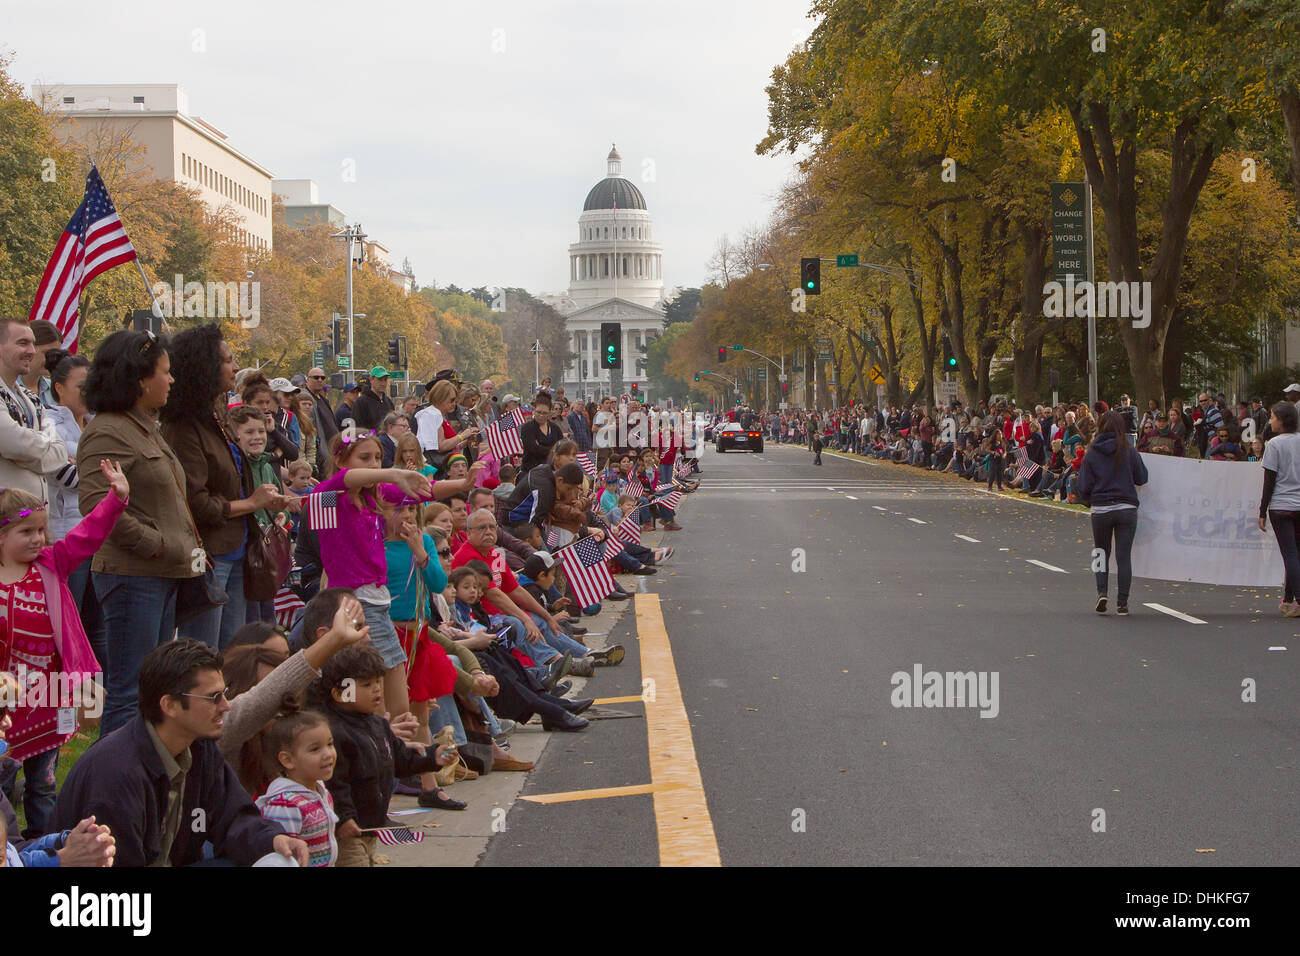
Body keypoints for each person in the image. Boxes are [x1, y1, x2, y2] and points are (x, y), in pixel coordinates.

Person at [53, 639, 310, 867]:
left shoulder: (199, 745)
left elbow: (233, 817)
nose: (226, 706)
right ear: (170, 705)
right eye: (214, 697)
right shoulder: (117, 772)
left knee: (278, 860)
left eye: (225, 694)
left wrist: (273, 838)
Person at [78, 329, 202, 735]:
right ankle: (112, 789)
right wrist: (159, 547)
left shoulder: (145, 427)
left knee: (152, 690)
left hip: (161, 574)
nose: (171, 380)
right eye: (164, 372)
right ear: (138, 378)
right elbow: (99, 508)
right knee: (129, 692)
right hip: (132, 576)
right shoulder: (106, 431)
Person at [0, 460, 128, 838]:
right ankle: (11, 847)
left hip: (48, 694)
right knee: (3, 780)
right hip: (6, 699)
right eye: (27, 531)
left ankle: (50, 844)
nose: (39, 538)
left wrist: (115, 500)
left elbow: (86, 536)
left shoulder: (52, 563)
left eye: (42, 529)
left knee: (43, 782)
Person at [161, 326, 288, 650]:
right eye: (227, 361)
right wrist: (252, 503)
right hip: (209, 557)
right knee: (204, 651)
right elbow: (196, 502)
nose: (235, 367)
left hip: (236, 549)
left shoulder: (215, 418)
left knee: (236, 651)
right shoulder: (184, 427)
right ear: (205, 368)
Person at [319, 645, 454, 865]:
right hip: (347, 832)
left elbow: (399, 759)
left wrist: (431, 757)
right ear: (340, 692)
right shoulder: (335, 734)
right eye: (366, 685)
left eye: (378, 682)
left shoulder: (378, 724)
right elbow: (335, 784)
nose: (377, 690)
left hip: (371, 826)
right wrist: (343, 819)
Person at [47, 354, 105, 666]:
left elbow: (120, 474)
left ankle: (99, 705)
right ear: (59, 388)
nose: (88, 392)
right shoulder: (49, 423)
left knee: (99, 628)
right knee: (72, 623)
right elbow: (65, 476)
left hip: (100, 537)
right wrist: (101, 475)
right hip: (68, 538)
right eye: (81, 386)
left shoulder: (98, 424)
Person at [1077, 411, 1149, 615]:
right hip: (1126, 507)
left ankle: (1101, 592)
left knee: (1100, 551)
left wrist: (1090, 499)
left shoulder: (1092, 452)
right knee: (1123, 556)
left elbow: (1083, 485)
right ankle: (1123, 603)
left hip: (1101, 508)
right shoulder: (1128, 450)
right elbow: (1142, 477)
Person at [255, 708, 339, 867]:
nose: (328, 754)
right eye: (315, 749)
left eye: (330, 744)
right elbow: (282, 858)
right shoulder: (285, 804)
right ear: (287, 760)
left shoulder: (320, 791)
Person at [0, 318, 69, 502]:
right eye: (22, 343)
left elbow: (61, 452)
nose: (31, 351)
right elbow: (12, 442)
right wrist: (45, 449)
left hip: (35, 521)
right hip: (6, 523)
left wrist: (21, 455)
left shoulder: (31, 399)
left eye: (33, 344)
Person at [1258, 402, 1300, 617]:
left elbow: (1269, 480)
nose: (1270, 421)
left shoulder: (1274, 444)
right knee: (1296, 554)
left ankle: (1298, 600)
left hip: (1281, 505)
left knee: (1290, 554)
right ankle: (1289, 599)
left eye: (1273, 417)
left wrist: (1262, 511)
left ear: (1282, 421)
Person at [520, 392, 562, 474]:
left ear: (550, 412)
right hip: (531, 472)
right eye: (538, 412)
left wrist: (541, 447)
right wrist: (553, 450)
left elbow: (561, 449)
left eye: (545, 413)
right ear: (534, 410)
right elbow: (533, 449)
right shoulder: (527, 428)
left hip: (552, 472)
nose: (541, 415)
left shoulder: (555, 429)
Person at [353, 366, 395, 431]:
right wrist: (374, 435)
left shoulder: (388, 401)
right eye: (380, 380)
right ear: (371, 380)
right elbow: (358, 428)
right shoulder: (361, 402)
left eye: (385, 380)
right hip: (369, 440)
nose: (383, 383)